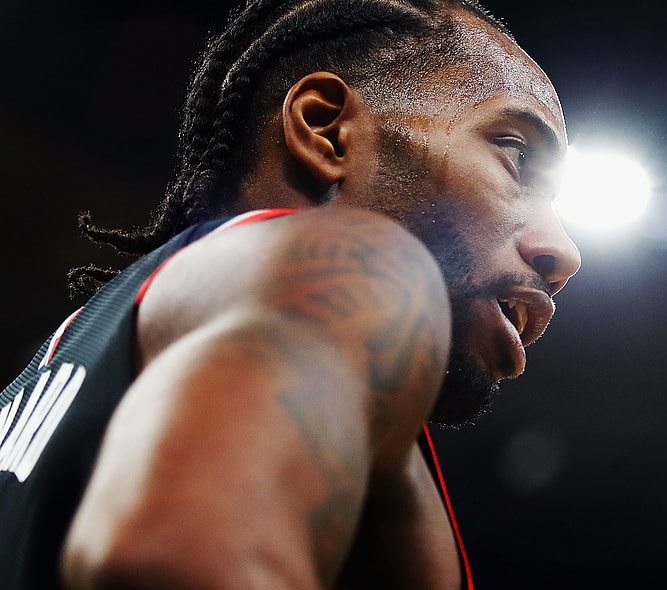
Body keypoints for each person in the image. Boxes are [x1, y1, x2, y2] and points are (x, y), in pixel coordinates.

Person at [0, 0, 581, 588]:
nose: (564, 250)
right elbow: (177, 564)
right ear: (326, 129)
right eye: (515, 155)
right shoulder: (355, 272)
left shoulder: (55, 372)